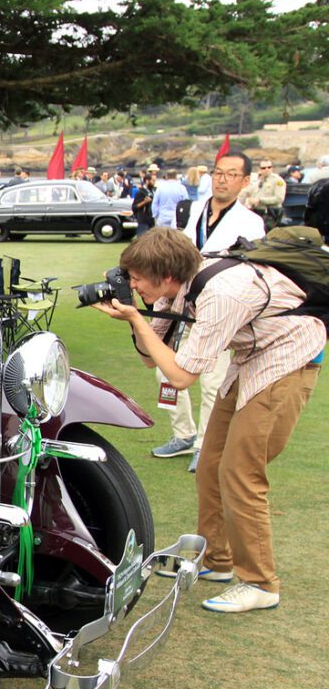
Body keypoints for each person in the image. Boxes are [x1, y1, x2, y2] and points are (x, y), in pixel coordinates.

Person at [94, 228, 323, 613]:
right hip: (251, 361)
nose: (132, 285)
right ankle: (217, 560)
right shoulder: (178, 287)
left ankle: (260, 582)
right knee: (211, 465)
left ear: (165, 276)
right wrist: (135, 315)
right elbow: (153, 357)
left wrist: (136, 315)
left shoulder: (221, 292)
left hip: (287, 362)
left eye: (136, 279)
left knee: (240, 471)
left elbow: (181, 376)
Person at [151, 152, 268, 471]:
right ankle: (183, 433)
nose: (223, 179)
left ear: (245, 181)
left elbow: (253, 272)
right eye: (218, 172)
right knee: (165, 369)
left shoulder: (251, 222)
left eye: (232, 174)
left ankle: (205, 442)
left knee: (213, 379)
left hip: (219, 309)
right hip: (183, 302)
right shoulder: (194, 209)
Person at [243, 159, 287, 231]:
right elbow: (250, 192)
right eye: (263, 168)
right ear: (259, 169)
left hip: (270, 213)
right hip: (257, 212)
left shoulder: (277, 181)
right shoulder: (259, 181)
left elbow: (279, 199)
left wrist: (260, 200)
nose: (267, 169)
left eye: (269, 167)